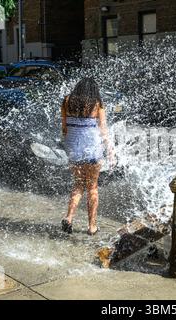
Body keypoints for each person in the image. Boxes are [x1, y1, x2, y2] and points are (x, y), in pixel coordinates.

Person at [61, 78, 115, 235]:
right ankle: (92, 227)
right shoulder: (97, 103)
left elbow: (64, 128)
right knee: (92, 187)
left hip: (74, 149)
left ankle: (69, 218)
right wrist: (110, 150)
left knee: (78, 184)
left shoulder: (66, 101)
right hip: (92, 149)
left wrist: (69, 144)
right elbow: (103, 130)